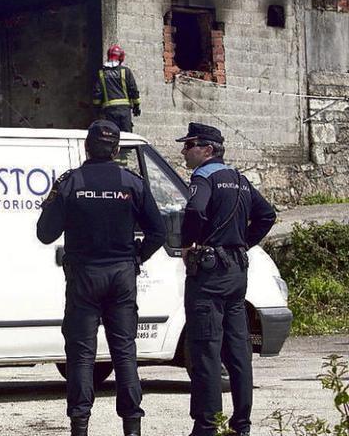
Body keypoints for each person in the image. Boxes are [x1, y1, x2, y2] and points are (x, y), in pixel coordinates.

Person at [37, 120, 166, 436]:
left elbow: (44, 233)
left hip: (84, 277)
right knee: (124, 352)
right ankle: (132, 427)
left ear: (86, 147)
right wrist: (137, 256)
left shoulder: (70, 182)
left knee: (81, 355)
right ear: (117, 150)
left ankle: (80, 426)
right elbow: (158, 232)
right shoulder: (132, 183)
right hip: (122, 275)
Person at [176, 123, 276, 436]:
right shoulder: (240, 180)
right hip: (236, 272)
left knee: (205, 349)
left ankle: (207, 426)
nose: (184, 150)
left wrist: (188, 243)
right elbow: (267, 215)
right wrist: (243, 242)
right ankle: (241, 425)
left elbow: (194, 210)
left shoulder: (203, 177)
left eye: (189, 144)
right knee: (238, 352)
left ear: (207, 149)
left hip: (209, 274)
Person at [92, 44, 141, 133]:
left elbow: (97, 93)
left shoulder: (102, 73)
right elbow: (133, 90)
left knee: (112, 135)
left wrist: (96, 109)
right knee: (127, 137)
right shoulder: (126, 71)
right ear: (121, 57)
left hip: (109, 111)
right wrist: (136, 106)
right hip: (124, 110)